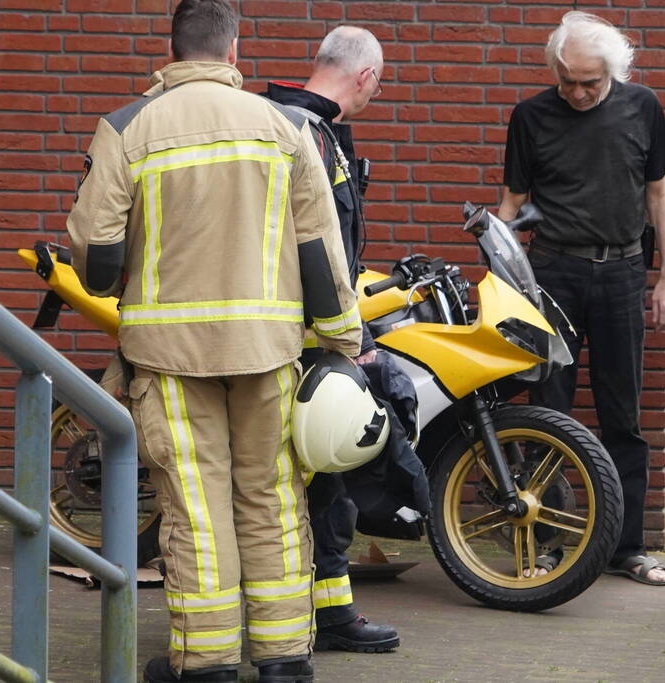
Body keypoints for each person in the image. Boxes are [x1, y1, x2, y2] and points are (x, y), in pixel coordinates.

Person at [65, 1, 362, 681]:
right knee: (273, 499)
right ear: (233, 53)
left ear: (170, 52)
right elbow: (320, 249)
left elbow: (98, 257)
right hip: (268, 351)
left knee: (195, 508)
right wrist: (344, 338)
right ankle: (285, 659)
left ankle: (206, 664)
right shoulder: (283, 127)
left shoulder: (126, 127)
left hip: (169, 359)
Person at [498, 11, 665, 586]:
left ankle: (627, 547)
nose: (577, 92)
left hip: (623, 271)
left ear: (614, 73)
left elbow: (660, 195)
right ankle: (549, 542)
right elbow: (511, 202)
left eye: (590, 83)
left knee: (622, 413)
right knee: (549, 410)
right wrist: (502, 281)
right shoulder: (530, 116)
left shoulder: (642, 107)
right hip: (552, 272)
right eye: (567, 79)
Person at [261, 26, 400, 654]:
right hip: (306, 340)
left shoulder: (304, 124)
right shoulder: (303, 133)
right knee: (317, 481)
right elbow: (312, 248)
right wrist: (349, 336)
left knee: (327, 484)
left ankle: (331, 613)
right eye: (380, 84)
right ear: (366, 77)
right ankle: (311, 622)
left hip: (308, 334)